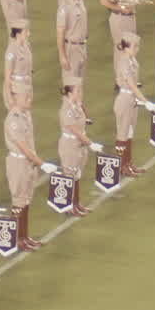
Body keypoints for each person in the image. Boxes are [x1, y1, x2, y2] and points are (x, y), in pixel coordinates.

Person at [3, 89, 53, 250]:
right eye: (26, 96)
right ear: (16, 98)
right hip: (19, 162)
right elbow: (23, 146)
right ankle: (16, 239)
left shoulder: (25, 115)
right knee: (18, 201)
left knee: (26, 200)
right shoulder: (14, 120)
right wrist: (41, 163)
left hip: (28, 162)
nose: (30, 99)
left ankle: (24, 237)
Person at [56, 77, 96, 216]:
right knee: (70, 175)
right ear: (69, 93)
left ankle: (77, 203)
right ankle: (68, 206)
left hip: (79, 144)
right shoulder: (66, 109)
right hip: (70, 145)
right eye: (77, 90)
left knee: (77, 175)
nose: (80, 93)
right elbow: (75, 130)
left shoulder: (76, 105)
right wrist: (90, 143)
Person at [112, 34, 150, 177]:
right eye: (135, 46)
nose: (137, 49)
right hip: (125, 99)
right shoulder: (123, 62)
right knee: (122, 133)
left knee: (129, 133)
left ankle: (128, 163)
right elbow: (131, 85)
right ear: (126, 47)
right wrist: (145, 101)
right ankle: (122, 166)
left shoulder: (131, 60)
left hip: (132, 99)